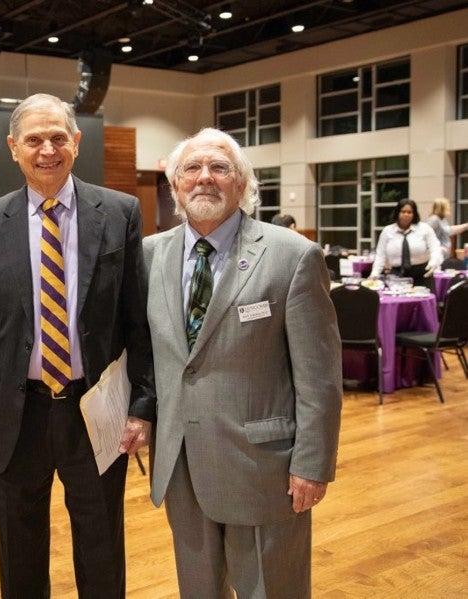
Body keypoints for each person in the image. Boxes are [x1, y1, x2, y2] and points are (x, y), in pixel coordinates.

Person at [0, 93, 156, 598]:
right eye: (34, 139)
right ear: (13, 148)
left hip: (95, 408)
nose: (48, 149)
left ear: (77, 142)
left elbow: (138, 320)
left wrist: (142, 407)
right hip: (16, 414)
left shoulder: (120, 212)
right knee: (18, 548)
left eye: (58, 137)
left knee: (102, 544)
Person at [144, 127, 342, 598]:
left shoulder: (292, 255)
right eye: (191, 168)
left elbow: (320, 377)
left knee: (271, 589)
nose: (204, 178)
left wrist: (312, 464)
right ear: (175, 186)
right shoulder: (150, 255)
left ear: (242, 183)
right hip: (181, 462)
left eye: (220, 168)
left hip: (263, 467)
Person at [369, 198, 442, 287]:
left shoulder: (424, 229)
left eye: (409, 212)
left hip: (421, 275)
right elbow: (380, 255)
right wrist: (374, 274)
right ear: (397, 213)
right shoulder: (387, 231)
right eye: (403, 212)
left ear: (414, 214)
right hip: (396, 276)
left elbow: (435, 247)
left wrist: (433, 262)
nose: (406, 215)